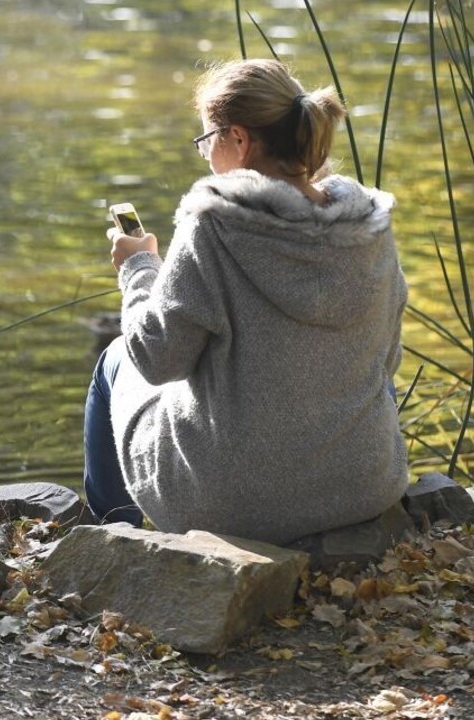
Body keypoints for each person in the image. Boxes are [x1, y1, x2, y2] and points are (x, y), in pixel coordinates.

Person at [83, 58, 408, 545]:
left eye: (206, 140)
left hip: (227, 504)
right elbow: (388, 361)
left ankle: (114, 544)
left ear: (238, 139)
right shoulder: (367, 225)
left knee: (114, 358)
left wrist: (138, 269)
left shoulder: (214, 223)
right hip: (361, 487)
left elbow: (155, 359)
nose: (205, 154)